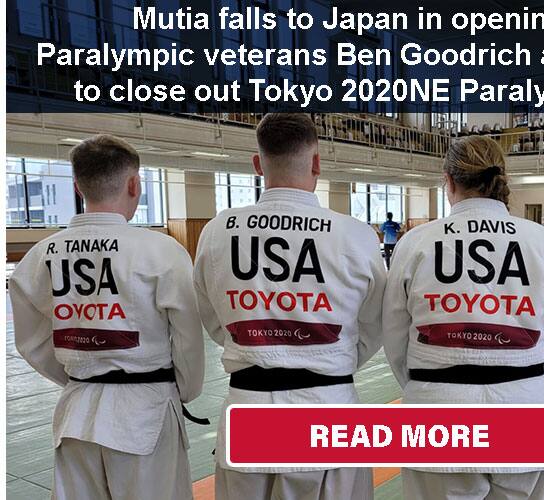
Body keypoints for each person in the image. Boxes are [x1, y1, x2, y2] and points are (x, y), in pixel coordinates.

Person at [194, 113, 386, 500]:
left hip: (248, 411)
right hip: (327, 410)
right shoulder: (354, 234)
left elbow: (214, 319)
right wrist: (330, 357)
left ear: (257, 164)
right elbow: (377, 323)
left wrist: (261, 345)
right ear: (317, 163)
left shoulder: (217, 231)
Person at [9, 135, 205, 500]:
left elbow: (32, 342)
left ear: (77, 186)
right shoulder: (161, 252)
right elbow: (188, 340)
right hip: (145, 410)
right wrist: (184, 390)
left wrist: (80, 375)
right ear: (134, 185)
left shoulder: (40, 256)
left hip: (76, 412)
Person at [382, 135, 544, 500]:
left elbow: (395, 335)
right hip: (526, 404)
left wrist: (424, 385)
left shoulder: (416, 241)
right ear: (500, 179)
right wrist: (529, 382)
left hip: (438, 407)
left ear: (448, 181)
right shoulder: (541, 240)